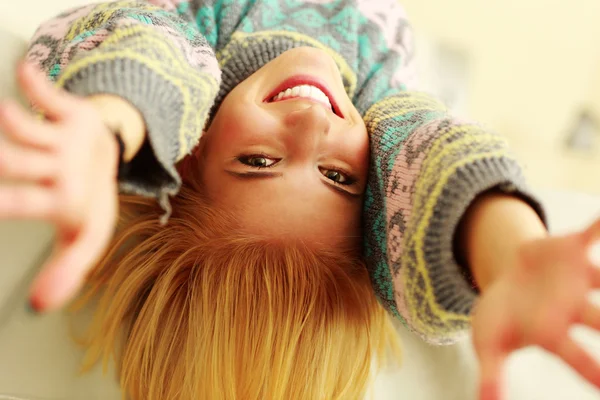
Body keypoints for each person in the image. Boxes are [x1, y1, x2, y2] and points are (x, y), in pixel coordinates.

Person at [0, 0, 599, 399]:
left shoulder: (193, 45)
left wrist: (111, 128)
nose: (311, 128)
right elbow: (426, 172)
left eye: (258, 162)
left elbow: (151, 57)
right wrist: (511, 251)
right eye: (339, 177)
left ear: (189, 153)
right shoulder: (381, 105)